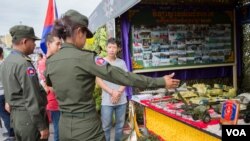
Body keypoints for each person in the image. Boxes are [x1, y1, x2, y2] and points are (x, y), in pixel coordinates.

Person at [45, 9, 180, 141]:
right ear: (79, 31)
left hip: (64, 127)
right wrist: (160, 81)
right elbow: (123, 77)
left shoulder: (51, 61)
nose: (85, 40)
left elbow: (50, 85)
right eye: (86, 35)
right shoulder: (85, 58)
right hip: (87, 129)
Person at [0, 25, 49, 141]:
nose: (35, 45)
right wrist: (42, 126)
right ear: (24, 41)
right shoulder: (23, 64)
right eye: (33, 41)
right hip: (30, 119)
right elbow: (32, 98)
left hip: (17, 118)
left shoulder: (6, 62)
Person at [96, 38, 128, 141]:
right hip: (107, 101)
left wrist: (118, 93)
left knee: (120, 127)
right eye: (109, 47)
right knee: (106, 127)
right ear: (106, 48)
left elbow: (126, 79)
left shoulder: (121, 63)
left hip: (121, 100)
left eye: (114, 47)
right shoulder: (101, 62)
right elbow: (98, 80)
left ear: (118, 49)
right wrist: (112, 92)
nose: (112, 49)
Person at [37, 33, 61, 141]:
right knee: (58, 131)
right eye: (58, 44)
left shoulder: (56, 60)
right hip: (55, 102)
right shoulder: (44, 63)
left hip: (61, 101)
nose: (60, 47)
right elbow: (48, 86)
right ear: (48, 44)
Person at [0, 46, 15, 141]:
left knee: (5, 115)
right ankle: (13, 133)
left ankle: (12, 135)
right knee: (10, 114)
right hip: (7, 93)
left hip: (1, 94)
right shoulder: (6, 63)